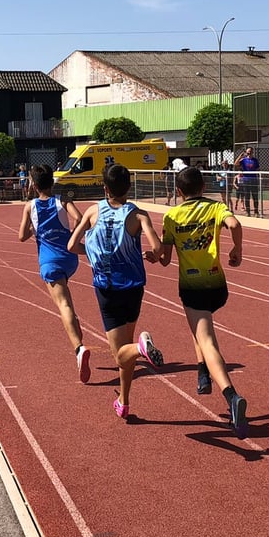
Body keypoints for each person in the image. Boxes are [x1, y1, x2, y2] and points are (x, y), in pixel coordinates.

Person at [67, 164, 164, 420]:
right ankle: (124, 400)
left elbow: (71, 245)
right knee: (127, 347)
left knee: (120, 352)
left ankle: (143, 348)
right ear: (129, 187)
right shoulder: (139, 215)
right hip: (133, 287)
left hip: (107, 288)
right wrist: (153, 256)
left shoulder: (92, 211)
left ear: (104, 188)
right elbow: (158, 248)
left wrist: (94, 253)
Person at [159, 167, 249, 438]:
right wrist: (237, 249)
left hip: (192, 287)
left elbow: (164, 259)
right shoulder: (216, 208)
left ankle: (231, 395)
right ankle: (201, 372)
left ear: (178, 191)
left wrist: (155, 258)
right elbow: (235, 224)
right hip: (217, 285)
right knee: (200, 327)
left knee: (206, 338)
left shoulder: (172, 216)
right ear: (203, 186)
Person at [18, 165, 89, 381]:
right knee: (67, 301)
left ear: (34, 185)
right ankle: (76, 331)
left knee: (64, 305)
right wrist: (71, 235)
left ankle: (79, 348)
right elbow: (80, 218)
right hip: (70, 258)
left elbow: (21, 236)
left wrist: (36, 229)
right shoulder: (62, 201)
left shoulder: (30, 207)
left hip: (49, 262)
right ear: (52, 182)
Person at [236, 146, 260, 217]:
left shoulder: (255, 160)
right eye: (248, 152)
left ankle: (256, 212)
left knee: (255, 196)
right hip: (246, 180)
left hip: (254, 180)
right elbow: (236, 163)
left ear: (252, 152)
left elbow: (258, 169)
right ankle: (248, 212)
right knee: (247, 197)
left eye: (250, 152)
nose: (249, 153)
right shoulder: (243, 160)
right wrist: (240, 156)